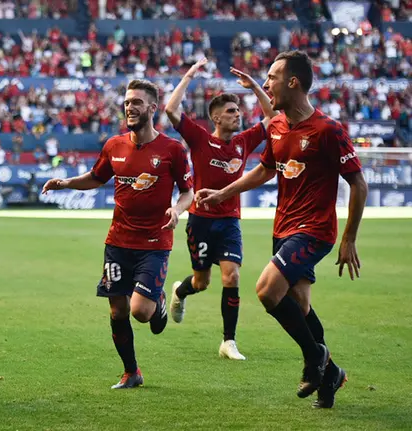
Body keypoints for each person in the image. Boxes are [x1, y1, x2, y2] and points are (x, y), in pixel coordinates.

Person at [196, 50, 367, 408]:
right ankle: (331, 375)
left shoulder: (328, 130)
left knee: (266, 290)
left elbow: (358, 184)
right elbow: (264, 171)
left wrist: (349, 237)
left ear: (293, 82)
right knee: (299, 305)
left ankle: (313, 358)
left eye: (272, 77)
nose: (266, 83)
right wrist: (222, 193)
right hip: (284, 227)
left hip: (315, 229)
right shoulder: (275, 127)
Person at [43, 79, 194, 389]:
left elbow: (188, 192)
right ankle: (131, 372)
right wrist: (66, 183)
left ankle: (158, 300)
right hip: (118, 241)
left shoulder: (172, 149)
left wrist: (177, 210)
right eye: (127, 102)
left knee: (140, 312)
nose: (130, 107)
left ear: (152, 108)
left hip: (154, 242)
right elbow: (96, 177)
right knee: (117, 309)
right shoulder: (114, 145)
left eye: (137, 102)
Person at [164, 58, 276, 360]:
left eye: (238, 111)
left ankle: (228, 341)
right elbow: (171, 110)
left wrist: (253, 85)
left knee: (232, 277)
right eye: (230, 111)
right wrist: (188, 75)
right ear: (215, 117)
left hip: (229, 221)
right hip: (200, 221)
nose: (237, 115)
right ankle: (180, 291)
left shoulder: (243, 142)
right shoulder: (200, 139)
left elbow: (273, 116)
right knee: (201, 282)